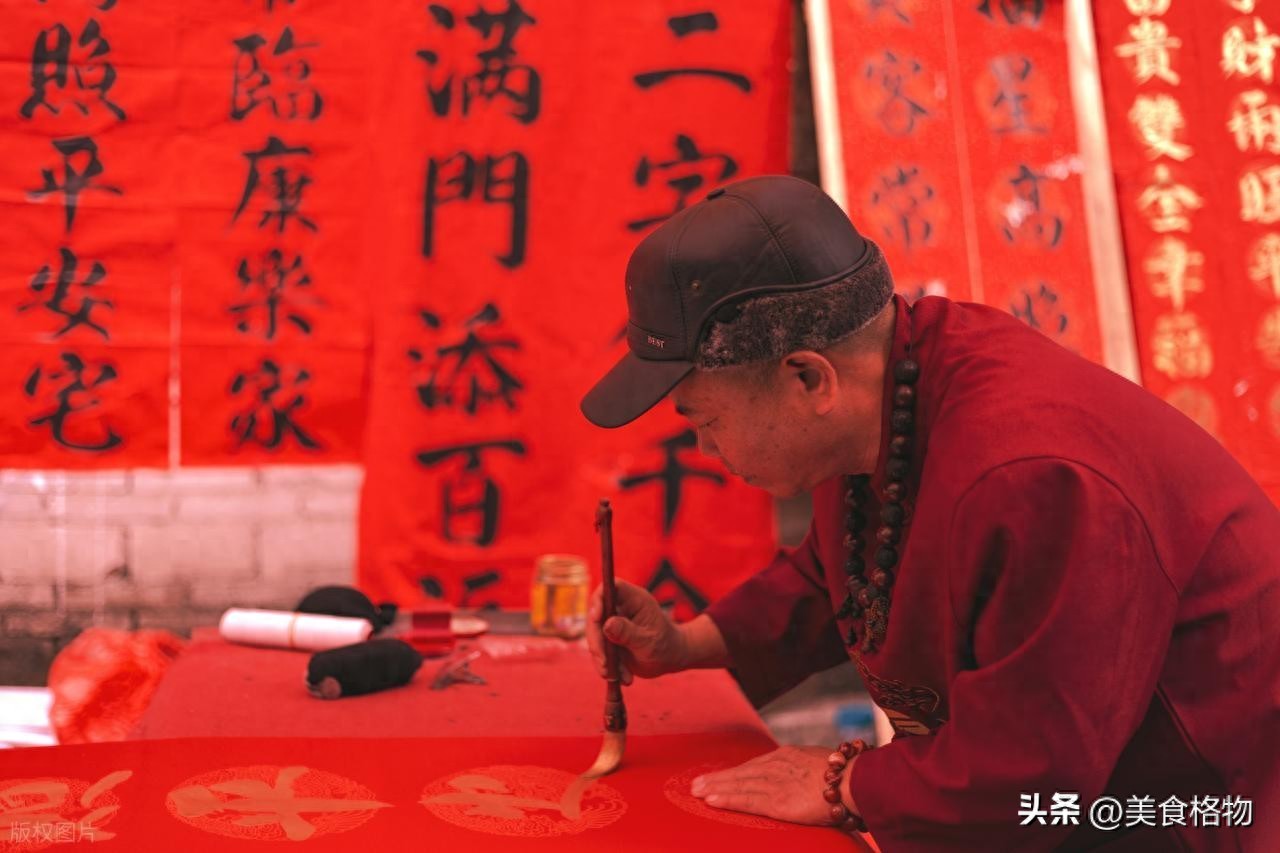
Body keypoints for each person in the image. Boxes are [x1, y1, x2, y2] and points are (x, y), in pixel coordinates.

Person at [579, 175, 1280, 851]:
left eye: (706, 420)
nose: (705, 449)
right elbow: (850, 575)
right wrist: (688, 643)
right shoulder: (885, 395)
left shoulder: (1031, 474)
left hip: (1197, 809)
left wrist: (845, 782)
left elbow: (1036, 767)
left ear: (807, 377)